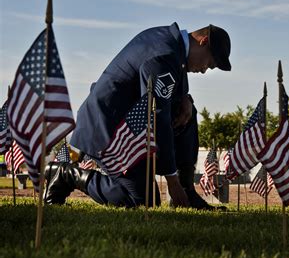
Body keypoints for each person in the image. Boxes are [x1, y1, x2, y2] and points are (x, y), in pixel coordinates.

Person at [44, 23, 231, 209]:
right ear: (203, 41)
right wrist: (172, 180)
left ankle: (187, 193)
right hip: (108, 127)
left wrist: (185, 99)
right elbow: (157, 116)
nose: (205, 69)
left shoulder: (173, 46)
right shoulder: (165, 55)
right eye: (210, 63)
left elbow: (168, 95)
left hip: (130, 123)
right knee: (143, 201)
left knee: (187, 113)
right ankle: (66, 175)